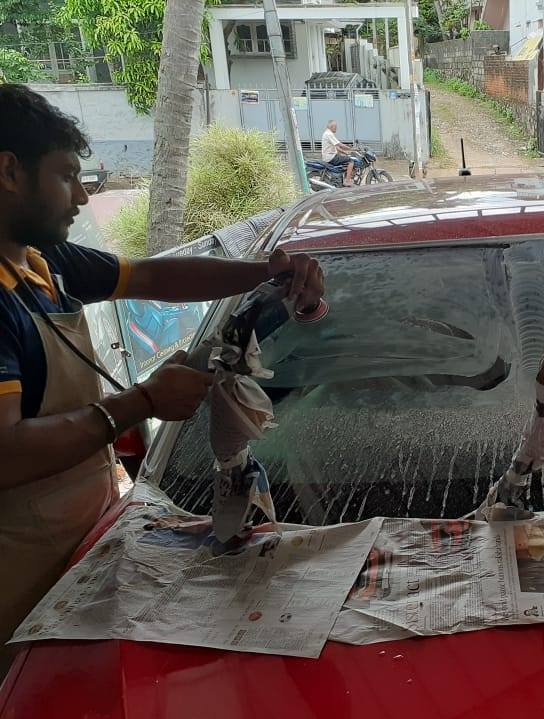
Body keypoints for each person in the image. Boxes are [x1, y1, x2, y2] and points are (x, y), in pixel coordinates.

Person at [0, 84, 325, 672]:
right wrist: (140, 402)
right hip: (18, 581)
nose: (80, 194)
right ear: (9, 172)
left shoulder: (43, 261)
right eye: (67, 175)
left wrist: (264, 273)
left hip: (85, 545)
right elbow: (5, 454)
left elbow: (153, 278)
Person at [320, 120, 356, 186]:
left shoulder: (327, 133)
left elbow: (336, 147)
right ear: (331, 126)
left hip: (329, 156)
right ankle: (347, 181)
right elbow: (339, 144)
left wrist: (345, 152)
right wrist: (351, 149)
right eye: (335, 127)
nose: (336, 128)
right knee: (351, 161)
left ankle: (344, 177)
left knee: (345, 158)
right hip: (331, 157)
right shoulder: (329, 134)